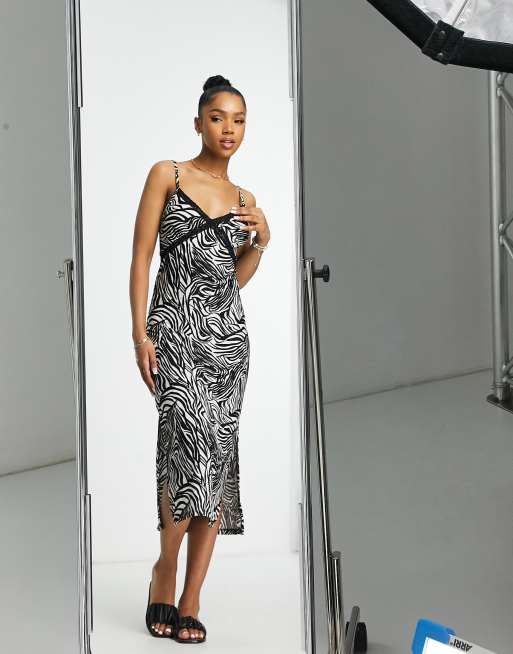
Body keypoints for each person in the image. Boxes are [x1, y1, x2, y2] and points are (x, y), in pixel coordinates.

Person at [129, 74, 271, 643]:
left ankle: (190, 598)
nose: (228, 129)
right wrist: (140, 335)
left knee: (213, 464)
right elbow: (142, 257)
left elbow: (231, 281)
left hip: (226, 345)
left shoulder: (245, 201)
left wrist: (262, 241)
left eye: (238, 120)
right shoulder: (168, 174)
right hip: (174, 334)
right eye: (218, 118)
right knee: (184, 455)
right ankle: (165, 569)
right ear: (198, 123)